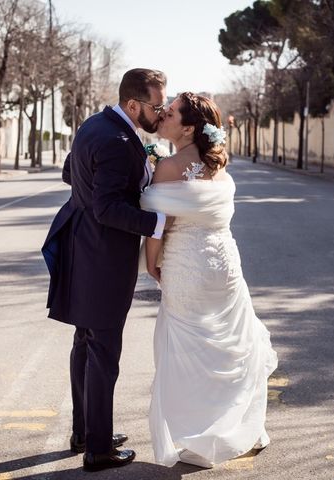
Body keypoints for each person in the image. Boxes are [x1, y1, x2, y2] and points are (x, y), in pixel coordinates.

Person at [140, 92, 278, 468]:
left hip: (187, 268)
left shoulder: (168, 167)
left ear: (187, 127)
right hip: (225, 267)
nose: (162, 115)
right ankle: (238, 427)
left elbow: (158, 228)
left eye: (170, 113)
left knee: (191, 353)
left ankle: (203, 437)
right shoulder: (219, 166)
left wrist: (152, 265)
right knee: (228, 346)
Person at [42, 68, 168, 472]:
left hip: (83, 246)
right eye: (155, 105)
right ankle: (98, 448)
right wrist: (160, 223)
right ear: (134, 105)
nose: (160, 112)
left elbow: (70, 173)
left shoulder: (95, 124)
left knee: (85, 341)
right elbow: (108, 208)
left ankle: (86, 431)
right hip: (101, 257)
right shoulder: (116, 140)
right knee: (103, 350)